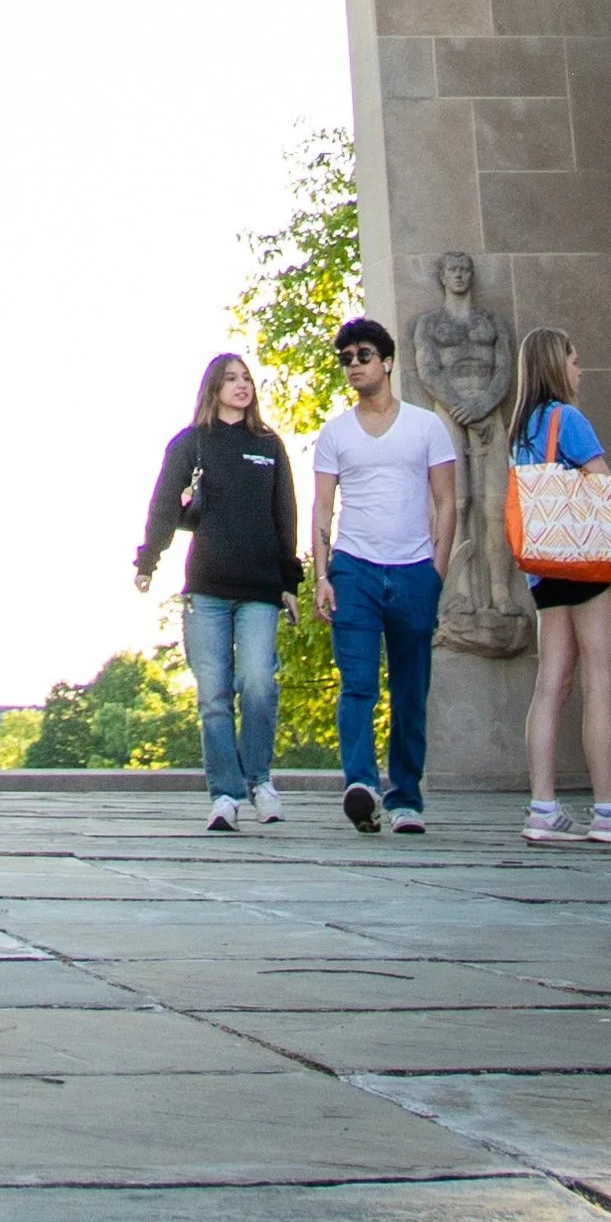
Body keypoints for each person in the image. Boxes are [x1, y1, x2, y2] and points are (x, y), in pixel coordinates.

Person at [134, 351, 300, 831]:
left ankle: (259, 781)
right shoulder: (192, 443)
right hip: (207, 588)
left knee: (258, 682)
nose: (242, 385)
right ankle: (224, 795)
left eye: (246, 377)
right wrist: (148, 560)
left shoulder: (269, 445)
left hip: (260, 589)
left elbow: (284, 515)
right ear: (214, 388)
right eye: (231, 378)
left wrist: (290, 582)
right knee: (213, 696)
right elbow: (165, 503)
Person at [512, 327, 611, 848]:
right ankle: (606, 810)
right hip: (589, 562)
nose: (581, 370)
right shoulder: (567, 419)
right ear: (558, 365)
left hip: (545, 567)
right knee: (599, 679)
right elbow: (602, 483)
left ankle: (543, 808)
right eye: (575, 360)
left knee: (551, 683)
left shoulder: (523, 428)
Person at [312, 315, 457, 835]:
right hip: (354, 569)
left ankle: (406, 801)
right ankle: (360, 784)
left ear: (387, 362)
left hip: (414, 570)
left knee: (410, 689)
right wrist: (322, 575)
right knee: (357, 685)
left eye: (364, 355)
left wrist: (435, 573)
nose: (354, 365)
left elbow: (446, 502)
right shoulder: (335, 434)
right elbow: (323, 509)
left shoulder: (426, 426)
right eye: (346, 358)